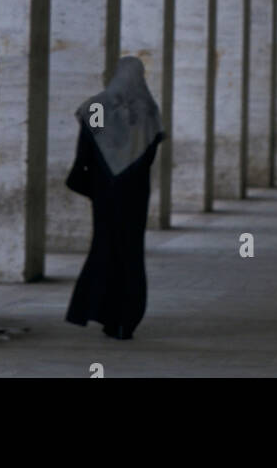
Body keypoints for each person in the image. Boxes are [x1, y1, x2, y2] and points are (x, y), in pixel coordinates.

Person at [64, 55, 165, 340]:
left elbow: (88, 144)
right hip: (134, 194)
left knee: (105, 247)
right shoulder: (147, 110)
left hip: (105, 191)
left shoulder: (97, 105)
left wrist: (92, 178)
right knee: (131, 253)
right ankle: (125, 320)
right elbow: (150, 153)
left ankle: (102, 312)